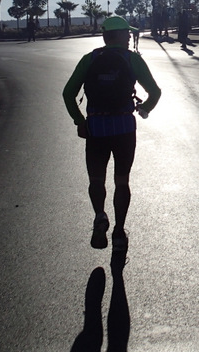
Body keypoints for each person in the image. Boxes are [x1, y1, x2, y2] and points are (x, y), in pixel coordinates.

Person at [62, 16, 161, 252]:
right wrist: (144, 109)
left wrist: (80, 121)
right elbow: (155, 92)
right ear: (116, 35)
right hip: (124, 130)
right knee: (122, 181)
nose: (129, 37)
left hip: (96, 128)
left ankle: (99, 216)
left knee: (96, 179)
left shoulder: (90, 59)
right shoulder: (132, 59)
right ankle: (118, 231)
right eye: (126, 33)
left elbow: (68, 94)